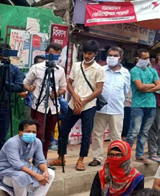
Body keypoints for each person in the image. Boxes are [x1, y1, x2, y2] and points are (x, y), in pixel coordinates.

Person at [48, 40, 104, 171]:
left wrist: (83, 102)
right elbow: (69, 83)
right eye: (85, 53)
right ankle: (61, 157)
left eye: (89, 53)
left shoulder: (99, 69)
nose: (86, 55)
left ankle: (81, 160)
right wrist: (75, 96)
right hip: (73, 104)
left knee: (86, 134)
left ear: (95, 54)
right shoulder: (76, 65)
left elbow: (99, 90)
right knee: (63, 131)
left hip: (89, 105)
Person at [0, 120, 55, 196]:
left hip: (26, 169)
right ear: (20, 132)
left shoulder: (37, 142)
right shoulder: (12, 142)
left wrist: (45, 172)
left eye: (34, 132)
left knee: (51, 173)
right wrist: (36, 175)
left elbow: (41, 160)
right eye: (28, 131)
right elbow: (17, 165)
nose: (31, 134)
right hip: (6, 172)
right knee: (22, 176)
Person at [25, 43, 68, 158]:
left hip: (53, 107)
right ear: (46, 53)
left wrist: (58, 93)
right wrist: (30, 88)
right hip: (38, 105)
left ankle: (43, 159)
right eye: (51, 55)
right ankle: (34, 158)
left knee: (49, 135)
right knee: (38, 134)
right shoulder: (36, 68)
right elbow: (25, 83)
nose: (54, 58)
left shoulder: (60, 70)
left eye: (56, 56)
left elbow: (64, 87)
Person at [89, 47, 130, 166]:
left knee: (116, 136)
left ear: (120, 58)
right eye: (110, 55)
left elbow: (126, 90)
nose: (111, 57)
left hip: (117, 109)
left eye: (115, 55)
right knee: (97, 134)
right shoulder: (101, 70)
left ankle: (114, 158)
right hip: (100, 108)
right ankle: (97, 158)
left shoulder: (125, 73)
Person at [126, 49, 160, 164]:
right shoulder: (134, 71)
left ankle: (140, 155)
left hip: (151, 104)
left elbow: (159, 86)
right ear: (137, 59)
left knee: (145, 132)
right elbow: (139, 87)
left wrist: (148, 87)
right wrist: (152, 85)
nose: (147, 60)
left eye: (147, 58)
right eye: (144, 58)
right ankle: (126, 156)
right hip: (138, 105)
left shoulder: (152, 71)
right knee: (134, 131)